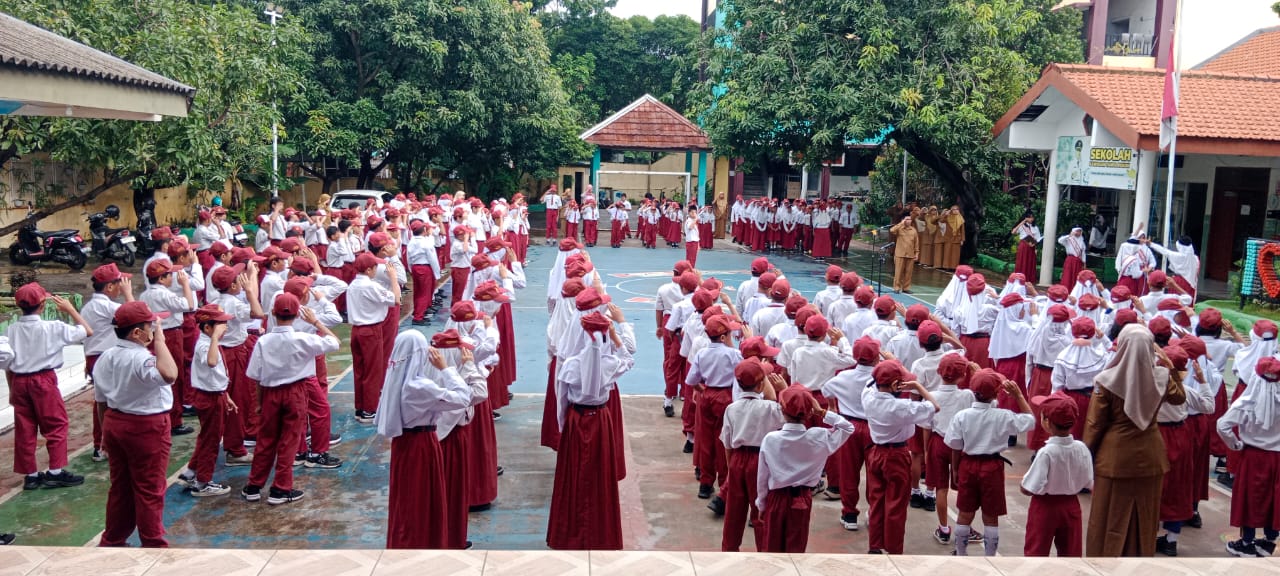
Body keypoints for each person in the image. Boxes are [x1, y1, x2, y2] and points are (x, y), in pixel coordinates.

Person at [1085, 324, 1186, 557]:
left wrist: (1086, 454)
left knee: (1108, 514)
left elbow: (1095, 424)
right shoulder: (1160, 376)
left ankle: (1105, 560)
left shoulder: (1107, 380)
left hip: (1114, 457)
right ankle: (1139, 560)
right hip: (1152, 455)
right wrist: (1170, 370)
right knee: (1145, 516)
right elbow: (1180, 399)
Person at [376, 330, 482, 549]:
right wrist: (446, 369)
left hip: (402, 445)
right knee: (423, 501)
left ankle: (403, 544)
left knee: (405, 501)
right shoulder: (419, 387)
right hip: (422, 445)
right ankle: (424, 545)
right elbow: (463, 397)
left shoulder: (395, 380)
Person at [241, 293, 341, 506]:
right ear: (297, 315)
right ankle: (280, 488)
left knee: (266, 440)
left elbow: (256, 376)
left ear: (273, 313)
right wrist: (315, 322)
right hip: (295, 393)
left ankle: (254, 486)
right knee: (289, 441)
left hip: (269, 393)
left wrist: (259, 403)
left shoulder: (263, 341)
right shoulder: (303, 338)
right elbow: (334, 342)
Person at [547, 311, 636, 550]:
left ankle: (569, 533)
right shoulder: (609, 363)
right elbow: (629, 358)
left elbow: (561, 400)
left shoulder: (572, 364)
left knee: (574, 477)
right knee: (600, 477)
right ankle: (601, 534)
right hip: (600, 420)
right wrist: (617, 337)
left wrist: (565, 427)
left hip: (577, 419)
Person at [92, 301, 178, 547]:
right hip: (146, 427)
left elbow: (101, 401)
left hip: (114, 422)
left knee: (120, 487)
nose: (155, 329)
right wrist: (160, 341)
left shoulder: (106, 357)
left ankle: (113, 540)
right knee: (149, 487)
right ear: (137, 333)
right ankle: (153, 543)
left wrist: (104, 437)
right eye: (151, 325)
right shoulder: (141, 359)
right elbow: (170, 374)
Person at [7, 283, 91, 490]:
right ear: (43, 304)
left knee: (25, 429)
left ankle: (31, 475)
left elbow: (8, 363)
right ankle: (55, 471)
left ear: (19, 306)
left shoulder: (12, 330)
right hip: (43, 380)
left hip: (19, 380)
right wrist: (71, 309)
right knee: (55, 425)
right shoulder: (53, 327)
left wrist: (12, 389)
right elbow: (87, 331)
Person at [754, 383, 854, 552]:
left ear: (782, 411)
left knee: (772, 549)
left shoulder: (771, 439)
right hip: (803, 498)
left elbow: (762, 478)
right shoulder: (820, 437)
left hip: (776, 499)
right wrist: (822, 412)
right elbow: (848, 427)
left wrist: (761, 504)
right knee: (796, 549)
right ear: (809, 412)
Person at [945, 369, 1035, 555]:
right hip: (992, 467)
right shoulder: (1003, 416)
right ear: (996, 394)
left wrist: (955, 470)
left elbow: (955, 445)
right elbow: (1030, 421)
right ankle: (990, 557)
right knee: (991, 515)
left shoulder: (962, 416)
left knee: (965, 512)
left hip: (967, 464)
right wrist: (1018, 395)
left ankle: (960, 553)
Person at [862, 360, 939, 554]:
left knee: (877, 500)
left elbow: (871, 383)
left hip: (875, 453)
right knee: (896, 504)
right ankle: (893, 549)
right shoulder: (902, 407)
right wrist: (917, 386)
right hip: (896, 455)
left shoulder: (867, 397)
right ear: (896, 384)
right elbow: (934, 406)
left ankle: (875, 545)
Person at [719, 357, 786, 551]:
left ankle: (729, 550)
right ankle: (763, 552)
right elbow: (788, 414)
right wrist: (781, 389)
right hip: (762, 460)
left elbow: (728, 444)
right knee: (761, 510)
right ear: (761, 385)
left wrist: (732, 467)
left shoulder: (731, 409)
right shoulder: (771, 408)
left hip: (738, 459)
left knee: (734, 512)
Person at [1219, 357, 1280, 557]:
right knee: (1275, 499)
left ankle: (1247, 542)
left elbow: (1223, 425)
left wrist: (1235, 445)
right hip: (1278, 458)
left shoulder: (1246, 402)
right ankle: (1269, 542)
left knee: (1250, 499)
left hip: (1254, 456)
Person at [1021, 393, 1093, 557]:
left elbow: (1028, 488)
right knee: (1071, 554)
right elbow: (1089, 482)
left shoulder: (1046, 452)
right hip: (1071, 505)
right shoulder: (1081, 448)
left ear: (1047, 422)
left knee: (1036, 552)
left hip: (1045, 506)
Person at [177, 304, 237, 497]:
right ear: (208, 328)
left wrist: (225, 395)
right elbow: (211, 362)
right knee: (212, 440)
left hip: (214, 394)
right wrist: (214, 338)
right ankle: (203, 482)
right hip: (209, 398)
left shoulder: (209, 342)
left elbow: (215, 375)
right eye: (221, 324)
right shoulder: (205, 344)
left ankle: (191, 472)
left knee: (206, 436)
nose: (225, 327)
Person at [686, 315, 747, 501]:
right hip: (726, 397)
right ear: (723, 336)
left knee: (705, 440)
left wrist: (703, 390)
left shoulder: (701, 353)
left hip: (708, 395)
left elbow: (691, 380)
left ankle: (705, 483)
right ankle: (724, 483)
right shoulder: (733, 354)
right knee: (723, 441)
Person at [81, 264, 134, 462]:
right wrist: (129, 294)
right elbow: (135, 314)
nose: (122, 287)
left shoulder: (88, 307)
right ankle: (106, 444)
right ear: (109, 287)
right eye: (120, 284)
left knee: (102, 402)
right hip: (106, 358)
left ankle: (102, 444)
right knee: (111, 403)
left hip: (94, 357)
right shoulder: (107, 306)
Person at [923, 352, 975, 545]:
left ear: (939, 372)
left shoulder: (931, 396)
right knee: (964, 487)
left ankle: (944, 528)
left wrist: (927, 450)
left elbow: (926, 426)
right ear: (963, 376)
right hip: (960, 444)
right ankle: (964, 526)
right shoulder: (967, 395)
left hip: (938, 442)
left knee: (941, 488)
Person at [349, 252, 397, 423]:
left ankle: (360, 407)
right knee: (373, 371)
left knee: (360, 370)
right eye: (376, 267)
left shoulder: (353, 285)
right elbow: (396, 299)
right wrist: (393, 278)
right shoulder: (371, 286)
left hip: (356, 330)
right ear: (369, 270)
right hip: (370, 330)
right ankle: (369, 409)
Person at [407, 219, 445, 326]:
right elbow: (433, 259)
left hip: (415, 267)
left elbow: (408, 257)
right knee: (425, 293)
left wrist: (410, 269)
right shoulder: (425, 243)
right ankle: (419, 317)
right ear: (424, 230)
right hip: (425, 268)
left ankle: (417, 311)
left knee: (418, 292)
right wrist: (437, 274)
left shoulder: (411, 241)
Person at [1149, 236, 1201, 301]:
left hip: (1178, 282)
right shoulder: (1195, 258)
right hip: (1191, 284)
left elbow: (1164, 251)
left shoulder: (1179, 256)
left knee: (1176, 302)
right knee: (1188, 301)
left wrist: (1151, 244)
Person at [890, 214, 919, 293]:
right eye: (906, 219)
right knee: (898, 272)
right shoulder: (899, 229)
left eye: (910, 219)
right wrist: (901, 223)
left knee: (908, 273)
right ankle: (896, 287)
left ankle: (906, 288)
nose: (908, 221)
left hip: (910, 254)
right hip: (900, 254)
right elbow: (892, 230)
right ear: (903, 220)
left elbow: (916, 243)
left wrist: (916, 253)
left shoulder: (913, 230)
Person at [1012, 212, 1043, 280]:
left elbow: (1038, 238)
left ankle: (1028, 279)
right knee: (1021, 262)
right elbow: (1013, 232)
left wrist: (1035, 246)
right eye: (1029, 217)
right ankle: (1019, 278)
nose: (1031, 219)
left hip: (1031, 246)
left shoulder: (1035, 227)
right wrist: (1023, 222)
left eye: (1032, 217)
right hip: (1023, 246)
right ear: (1026, 217)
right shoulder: (1022, 226)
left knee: (1029, 263)